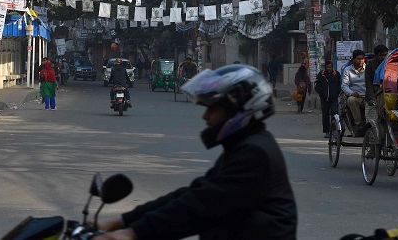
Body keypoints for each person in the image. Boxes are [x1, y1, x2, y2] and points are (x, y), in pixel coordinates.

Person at [94, 65, 297, 240]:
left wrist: (133, 233)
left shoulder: (255, 154)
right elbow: (194, 193)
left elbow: (201, 206)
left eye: (213, 109)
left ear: (237, 108)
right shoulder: (244, 146)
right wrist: (120, 222)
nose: (206, 116)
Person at [341, 49, 366, 136]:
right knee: (351, 100)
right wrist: (351, 93)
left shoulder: (368, 69)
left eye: (362, 59)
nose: (361, 61)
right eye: (358, 59)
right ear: (353, 60)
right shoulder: (347, 70)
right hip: (355, 97)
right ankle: (359, 124)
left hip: (366, 97)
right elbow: (344, 85)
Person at [315, 60, 342, 138]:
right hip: (324, 99)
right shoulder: (321, 75)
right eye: (327, 67)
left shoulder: (336, 74)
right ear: (325, 67)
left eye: (330, 67)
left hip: (334, 98)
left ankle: (335, 131)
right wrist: (322, 93)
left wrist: (337, 93)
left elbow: (339, 85)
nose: (329, 69)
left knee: (335, 114)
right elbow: (317, 86)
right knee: (325, 115)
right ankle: (327, 132)